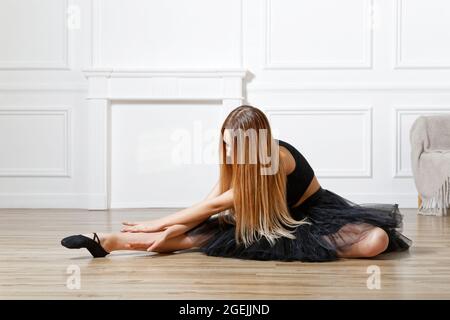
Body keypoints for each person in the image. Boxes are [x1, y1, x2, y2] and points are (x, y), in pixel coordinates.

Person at [61, 105, 411, 261]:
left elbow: (215, 205)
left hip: (307, 217)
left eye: (235, 144)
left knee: (377, 239)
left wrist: (158, 221)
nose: (228, 150)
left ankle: (319, 249)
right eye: (225, 142)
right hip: (261, 221)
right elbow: (210, 201)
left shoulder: (275, 160)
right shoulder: (236, 161)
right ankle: (106, 241)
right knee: (190, 236)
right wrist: (175, 224)